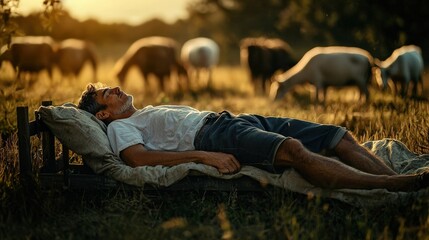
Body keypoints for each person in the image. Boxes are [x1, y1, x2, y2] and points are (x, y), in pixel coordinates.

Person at [78, 83, 429, 192]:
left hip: (233, 120)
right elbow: (137, 160)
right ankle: (392, 186)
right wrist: (203, 157)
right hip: (214, 136)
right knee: (293, 150)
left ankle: (397, 180)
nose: (116, 89)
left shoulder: (142, 113)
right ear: (103, 114)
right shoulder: (119, 127)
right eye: (108, 94)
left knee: (337, 135)